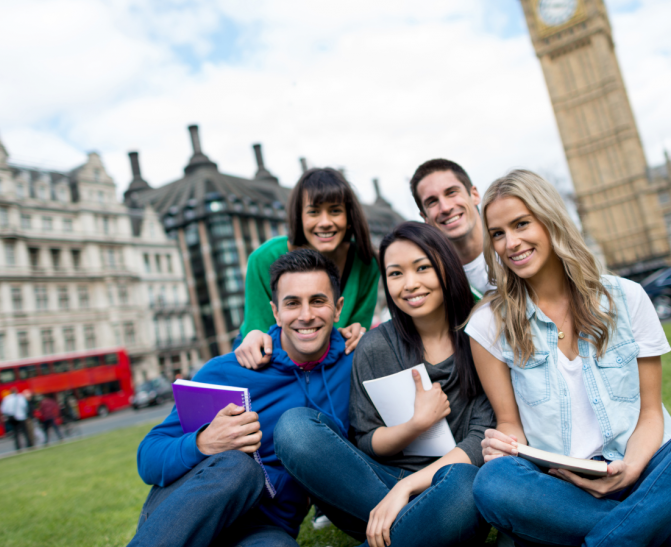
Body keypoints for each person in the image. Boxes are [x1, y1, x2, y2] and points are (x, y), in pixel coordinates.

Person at [465, 169, 671, 547]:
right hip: (564, 491)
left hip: (648, 470)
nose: (510, 243)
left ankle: (627, 534)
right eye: (498, 233)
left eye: (521, 224)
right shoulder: (488, 324)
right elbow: (510, 425)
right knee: (493, 481)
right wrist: (504, 449)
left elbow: (650, 413)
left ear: (550, 221)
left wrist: (630, 468)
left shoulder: (626, 297)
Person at [275, 222, 495, 547]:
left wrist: (406, 490)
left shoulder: (481, 334)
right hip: (376, 490)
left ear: (446, 267)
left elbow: (482, 441)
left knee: (466, 486)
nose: (410, 284)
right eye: (395, 274)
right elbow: (365, 440)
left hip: (449, 485)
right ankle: (420, 530)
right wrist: (416, 424)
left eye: (422, 268)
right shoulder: (377, 346)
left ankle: (414, 528)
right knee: (294, 427)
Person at [128, 249, 354, 547]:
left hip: (262, 530)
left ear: (337, 308)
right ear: (275, 312)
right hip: (187, 514)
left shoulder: (355, 363)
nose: (305, 315)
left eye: (317, 301)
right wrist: (201, 443)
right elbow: (148, 456)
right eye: (292, 303)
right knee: (239, 468)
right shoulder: (227, 370)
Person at [235, 167, 379, 369]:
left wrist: (357, 332)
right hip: (271, 355)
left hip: (331, 355)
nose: (325, 222)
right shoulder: (264, 258)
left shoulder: (366, 262)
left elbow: (356, 330)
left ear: (349, 218)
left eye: (335, 211)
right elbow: (258, 332)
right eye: (313, 212)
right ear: (299, 217)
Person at [410, 159, 493, 299]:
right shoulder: (435, 285)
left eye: (451, 192)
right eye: (432, 202)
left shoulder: (517, 245)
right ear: (425, 218)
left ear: (474, 195)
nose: (446, 208)